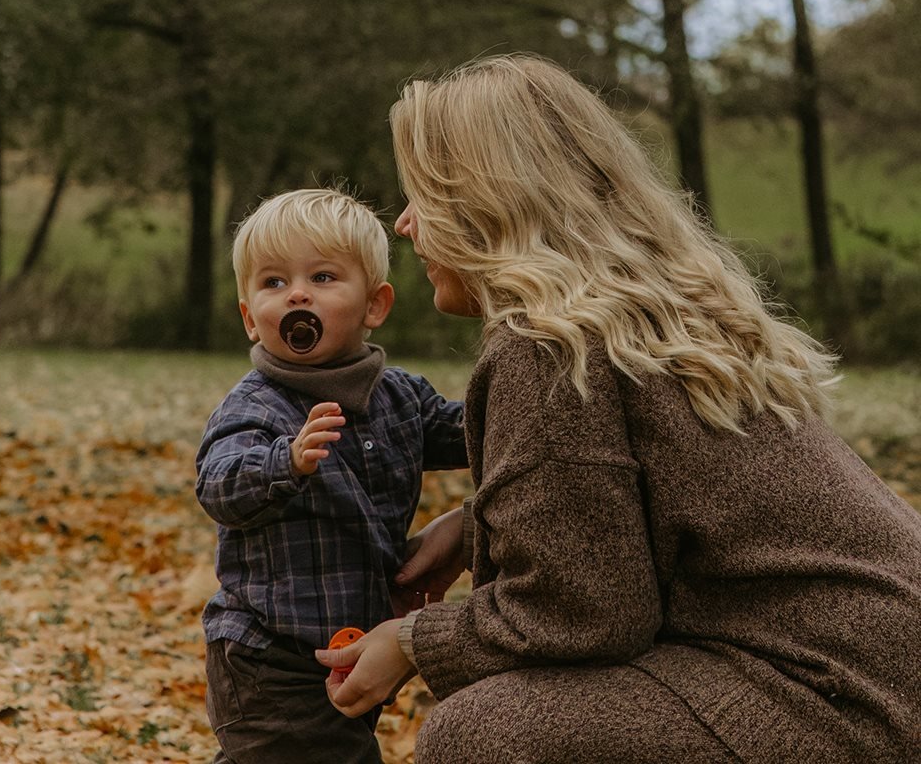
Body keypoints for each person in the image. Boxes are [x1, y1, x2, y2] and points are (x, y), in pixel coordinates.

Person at [314, 55, 921, 763]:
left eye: (423, 194)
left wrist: (414, 642)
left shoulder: (545, 347)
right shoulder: (646, 317)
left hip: (839, 700)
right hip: (883, 674)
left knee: (485, 736)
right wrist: (477, 529)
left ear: (486, 199)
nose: (407, 223)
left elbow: (586, 615)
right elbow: (633, 523)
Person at [195, 187, 467, 764]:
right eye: (272, 283)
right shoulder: (257, 408)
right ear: (250, 319)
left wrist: (526, 399)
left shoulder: (402, 398)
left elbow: (475, 432)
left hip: (348, 644)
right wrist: (284, 462)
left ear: (374, 306)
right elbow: (219, 486)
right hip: (270, 657)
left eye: (322, 277)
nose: (295, 293)